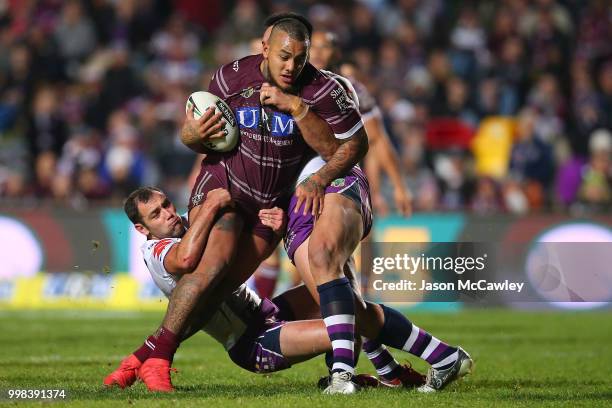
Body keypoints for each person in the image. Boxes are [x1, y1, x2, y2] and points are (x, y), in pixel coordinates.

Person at [134, 15, 369, 392]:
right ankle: (158, 359)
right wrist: (189, 134)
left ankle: (144, 356)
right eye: (284, 56)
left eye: (300, 58)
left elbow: (345, 149)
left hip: (269, 205)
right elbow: (199, 136)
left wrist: (297, 108)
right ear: (265, 47)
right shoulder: (229, 78)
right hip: (224, 187)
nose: (291, 66)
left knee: (226, 285)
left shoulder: (322, 91)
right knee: (211, 266)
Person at [105, 187, 471, 393]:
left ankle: (383, 371)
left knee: (339, 289)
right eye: (156, 215)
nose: (169, 213)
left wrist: (272, 227)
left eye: (167, 204)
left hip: (269, 312)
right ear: (143, 230)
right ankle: (433, 358)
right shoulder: (155, 251)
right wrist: (212, 206)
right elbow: (186, 261)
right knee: (343, 325)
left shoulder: (191, 222)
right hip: (251, 344)